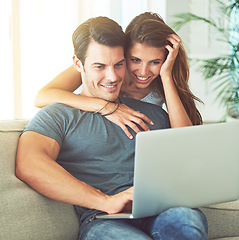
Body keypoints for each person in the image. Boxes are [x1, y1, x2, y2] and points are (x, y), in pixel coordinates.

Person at [16, 16, 208, 239]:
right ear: (78, 64)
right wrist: (105, 201)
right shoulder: (58, 114)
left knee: (186, 222)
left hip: (161, 211)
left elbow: (188, 156)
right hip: (103, 220)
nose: (112, 76)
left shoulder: (155, 113)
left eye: (118, 65)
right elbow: (29, 165)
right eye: (99, 66)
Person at [34, 12, 203, 140]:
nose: (143, 72)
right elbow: (42, 97)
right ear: (123, 53)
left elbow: (185, 138)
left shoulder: (163, 80)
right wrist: (106, 107)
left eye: (155, 62)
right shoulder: (106, 67)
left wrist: (166, 75)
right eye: (135, 60)